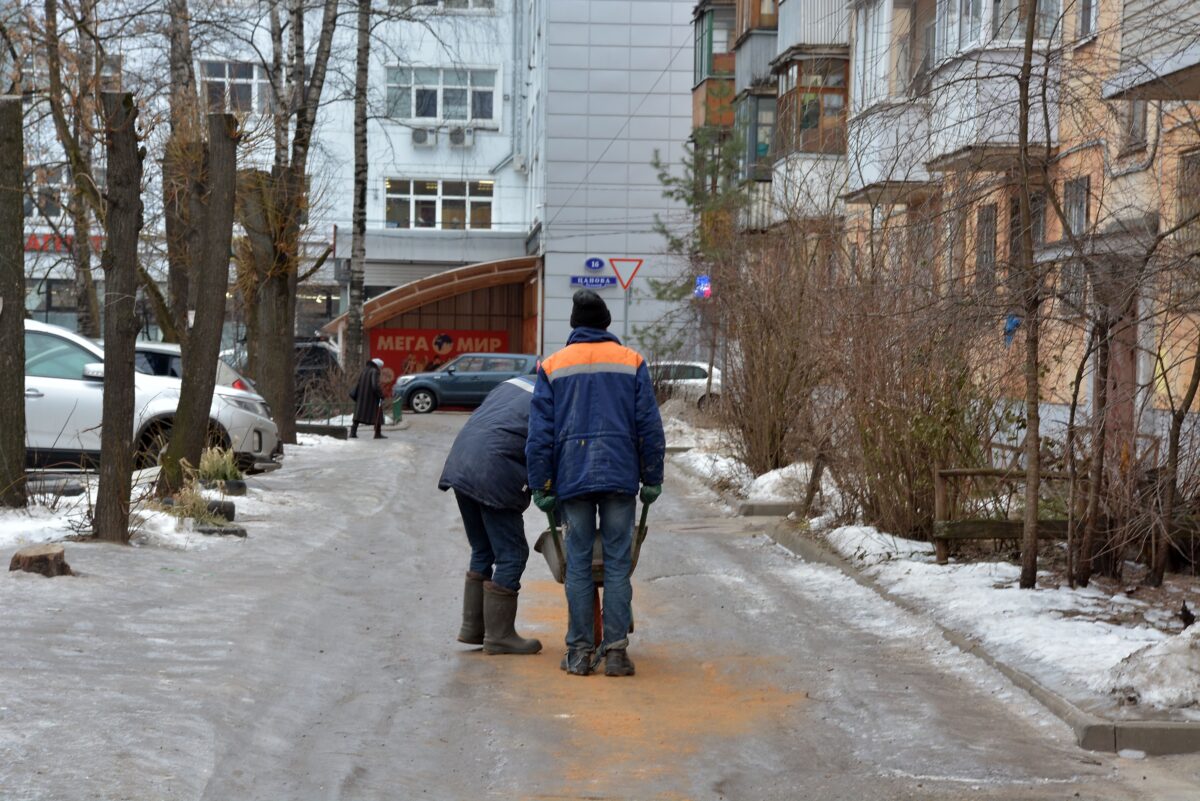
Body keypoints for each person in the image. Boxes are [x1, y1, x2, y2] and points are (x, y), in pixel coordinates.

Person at [526, 289, 665, 677]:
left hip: (572, 479)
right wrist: (652, 476)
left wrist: (542, 484)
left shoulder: (552, 366)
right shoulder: (631, 361)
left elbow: (540, 433)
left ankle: (580, 652)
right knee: (618, 565)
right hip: (621, 476)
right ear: (606, 324)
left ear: (574, 326)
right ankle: (617, 653)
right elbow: (648, 426)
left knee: (578, 565)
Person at [438, 375, 542, 655]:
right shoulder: (553, 397)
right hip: (495, 469)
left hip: (461, 463)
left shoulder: (514, 383)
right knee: (512, 554)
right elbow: (545, 447)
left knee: (483, 548)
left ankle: (473, 628)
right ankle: (500, 636)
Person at [350, 357, 386, 439]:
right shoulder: (375, 371)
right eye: (381, 367)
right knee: (378, 414)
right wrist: (381, 395)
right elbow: (375, 386)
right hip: (371, 398)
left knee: (358, 415)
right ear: (378, 366)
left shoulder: (364, 370)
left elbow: (359, 383)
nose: (381, 369)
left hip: (361, 396)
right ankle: (377, 434)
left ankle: (353, 432)